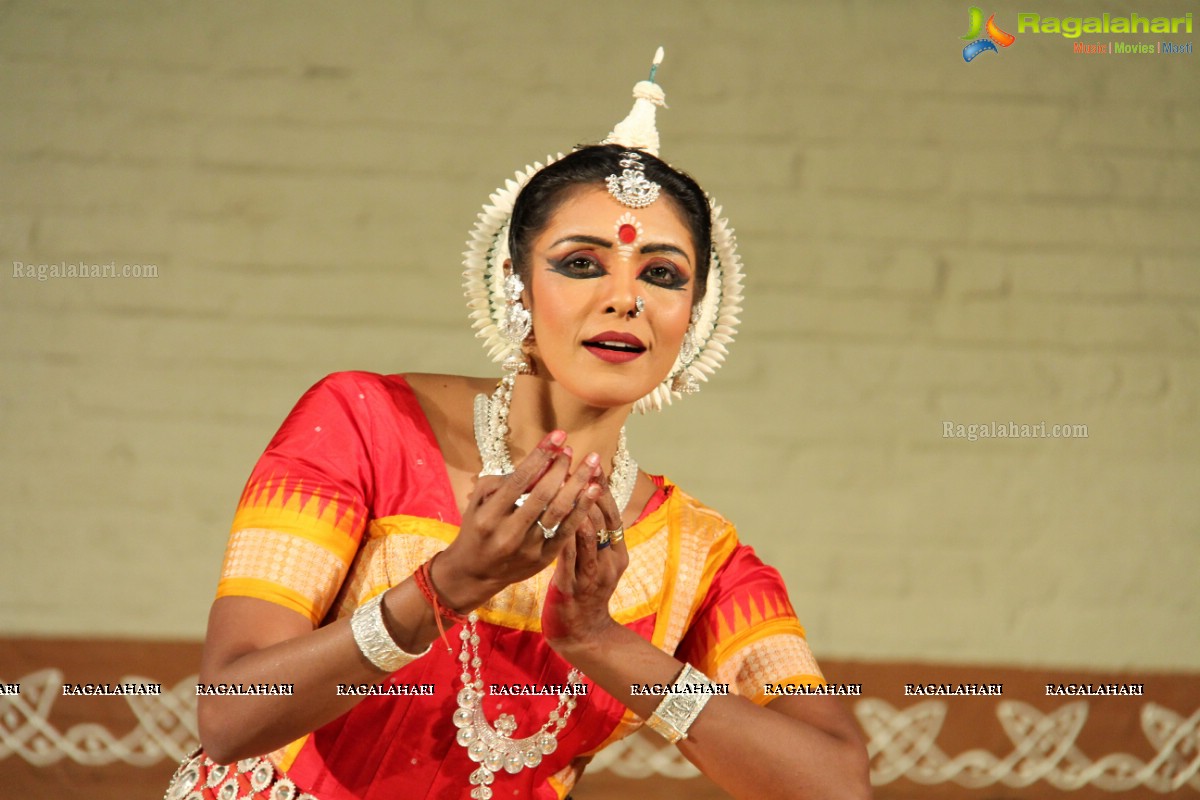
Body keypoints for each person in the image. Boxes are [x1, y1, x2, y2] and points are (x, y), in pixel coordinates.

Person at [168, 51, 872, 800]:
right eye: (580, 264)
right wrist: (444, 587)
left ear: (691, 319)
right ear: (516, 284)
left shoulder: (695, 558)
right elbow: (233, 715)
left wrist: (599, 641)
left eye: (661, 276)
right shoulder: (366, 424)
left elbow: (833, 784)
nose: (625, 300)